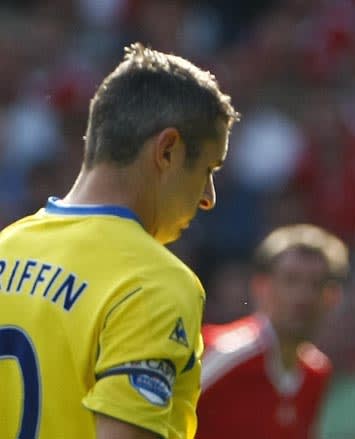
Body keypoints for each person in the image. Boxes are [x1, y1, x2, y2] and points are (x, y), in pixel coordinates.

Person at [0, 43, 238, 439]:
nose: (208, 197)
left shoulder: (7, 246)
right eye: (207, 169)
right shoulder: (154, 282)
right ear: (167, 150)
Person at [196, 223, 349, 439]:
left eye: (316, 284)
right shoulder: (225, 353)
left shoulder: (316, 373)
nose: (303, 295)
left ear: (333, 296)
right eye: (291, 280)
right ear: (261, 286)